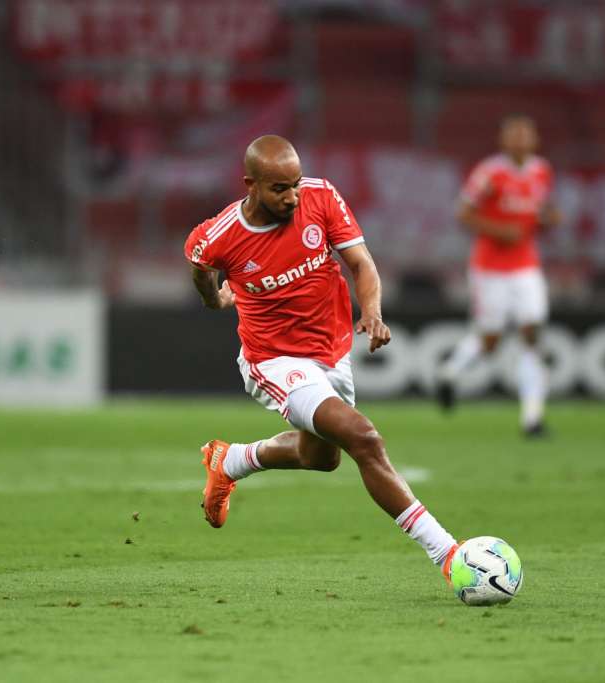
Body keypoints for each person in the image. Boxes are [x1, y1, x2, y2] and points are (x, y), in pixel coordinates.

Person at [184, 135, 459, 582]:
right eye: (279, 189)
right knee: (363, 437)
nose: (292, 197)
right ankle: (448, 553)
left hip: (331, 353)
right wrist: (214, 299)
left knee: (322, 458)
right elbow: (199, 264)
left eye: (294, 183)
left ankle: (230, 460)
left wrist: (372, 310)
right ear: (250, 185)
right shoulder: (221, 235)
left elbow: (362, 264)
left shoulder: (321, 196)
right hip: (273, 360)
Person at [436, 115, 560, 437]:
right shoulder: (490, 172)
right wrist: (498, 229)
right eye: (514, 135)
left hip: (526, 266)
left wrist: (550, 219)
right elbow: (462, 212)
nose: (520, 140)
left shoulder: (541, 171)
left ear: (534, 140)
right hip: (490, 268)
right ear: (503, 141)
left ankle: (532, 418)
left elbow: (539, 213)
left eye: (525, 135)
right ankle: (449, 373)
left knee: (532, 332)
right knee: (490, 340)